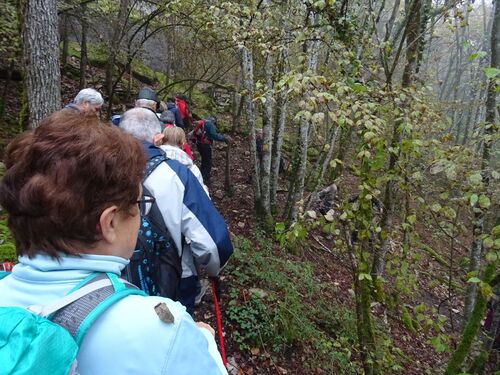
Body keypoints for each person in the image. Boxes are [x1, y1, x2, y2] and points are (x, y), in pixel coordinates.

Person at [0, 110, 227, 374]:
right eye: (137, 204)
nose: (140, 214)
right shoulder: (160, 331)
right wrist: (205, 342)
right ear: (109, 223)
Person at [120, 108, 233, 314]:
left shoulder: (94, 168)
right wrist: (213, 270)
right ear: (158, 138)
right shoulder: (176, 174)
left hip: (110, 283)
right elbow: (212, 245)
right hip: (172, 279)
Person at [190, 116, 232, 187]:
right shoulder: (210, 124)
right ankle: (206, 178)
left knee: (204, 160)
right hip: (205, 145)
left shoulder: (203, 123)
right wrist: (224, 138)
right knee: (208, 162)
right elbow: (214, 135)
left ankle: (202, 175)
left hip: (199, 144)